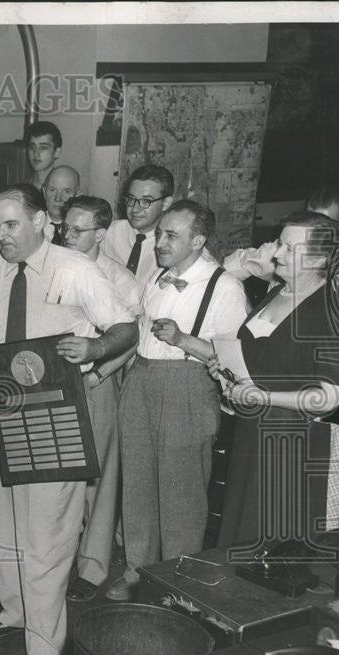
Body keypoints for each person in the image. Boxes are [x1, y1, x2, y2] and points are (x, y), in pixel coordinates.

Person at [0, 184, 138, 655]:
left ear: (42, 221)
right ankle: (14, 613)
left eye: (11, 224)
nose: (0, 235)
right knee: (7, 527)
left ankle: (45, 646)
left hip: (56, 415)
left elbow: (125, 327)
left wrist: (95, 346)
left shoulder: (76, 269)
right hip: (2, 411)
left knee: (47, 536)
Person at [110, 200, 248, 602]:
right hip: (142, 379)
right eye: (159, 234)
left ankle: (179, 583)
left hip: (188, 386)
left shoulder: (225, 287)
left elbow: (237, 361)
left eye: (171, 235)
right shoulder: (156, 277)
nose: (160, 242)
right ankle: (137, 571)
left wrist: (185, 340)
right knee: (136, 483)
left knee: (182, 493)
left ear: (198, 240)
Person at [211, 212, 339, 552]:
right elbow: (263, 360)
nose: (277, 255)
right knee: (241, 535)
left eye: (290, 249)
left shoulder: (330, 313)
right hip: (252, 435)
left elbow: (332, 397)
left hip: (291, 444)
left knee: (270, 545)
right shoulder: (278, 293)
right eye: (280, 245)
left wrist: (264, 397)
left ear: (318, 258)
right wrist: (228, 373)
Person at [61, 195, 141, 602]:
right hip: (57, 386)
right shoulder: (56, 265)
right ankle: (57, 561)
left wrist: (99, 372)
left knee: (98, 477)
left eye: (79, 229)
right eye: (66, 227)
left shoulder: (118, 277)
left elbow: (131, 335)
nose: (68, 235)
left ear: (102, 233)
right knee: (59, 475)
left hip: (95, 383)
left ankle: (91, 569)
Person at [100, 164, 175, 285]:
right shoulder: (109, 232)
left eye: (146, 201)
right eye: (131, 199)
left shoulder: (176, 244)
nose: (135, 209)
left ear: (166, 203)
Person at [42, 166, 80, 244]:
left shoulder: (84, 232)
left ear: (77, 195)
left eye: (66, 192)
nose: (58, 198)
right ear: (44, 193)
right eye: (52, 190)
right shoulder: (31, 227)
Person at [23, 120, 63, 191]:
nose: (36, 153)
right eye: (32, 147)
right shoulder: (22, 188)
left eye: (43, 148)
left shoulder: (62, 189)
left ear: (56, 152)